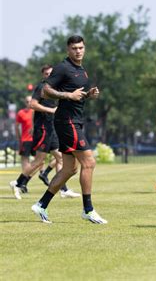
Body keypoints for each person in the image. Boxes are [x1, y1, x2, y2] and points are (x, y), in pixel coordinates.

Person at [31, 35, 107, 224]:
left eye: (80, 47)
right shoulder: (63, 67)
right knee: (89, 163)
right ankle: (88, 210)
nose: (78, 51)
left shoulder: (81, 70)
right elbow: (45, 90)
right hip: (67, 122)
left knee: (69, 169)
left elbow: (77, 96)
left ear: (84, 48)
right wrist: (67, 95)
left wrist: (88, 95)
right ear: (68, 50)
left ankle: (41, 205)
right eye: (74, 48)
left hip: (75, 121)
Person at [10, 65, 80, 199]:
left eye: (51, 73)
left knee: (60, 158)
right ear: (43, 76)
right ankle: (18, 183)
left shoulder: (54, 89)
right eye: (46, 74)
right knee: (38, 161)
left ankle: (63, 189)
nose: (49, 75)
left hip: (51, 128)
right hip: (42, 129)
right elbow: (33, 105)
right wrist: (51, 111)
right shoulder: (42, 87)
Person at [10, 96, 36, 195]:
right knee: (25, 161)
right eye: (27, 101)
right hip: (25, 140)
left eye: (30, 101)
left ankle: (24, 181)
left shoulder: (36, 111)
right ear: (25, 102)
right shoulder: (21, 113)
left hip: (36, 140)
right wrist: (18, 138)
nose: (28, 103)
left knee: (40, 163)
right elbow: (16, 126)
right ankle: (22, 184)